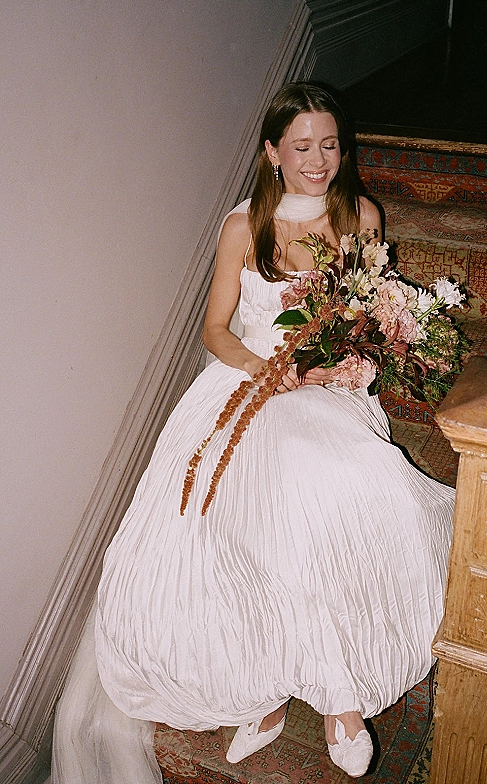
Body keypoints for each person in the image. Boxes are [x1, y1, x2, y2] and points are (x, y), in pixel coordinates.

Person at [53, 82, 454, 782]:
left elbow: (364, 314)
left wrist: (356, 357)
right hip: (248, 379)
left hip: (330, 384)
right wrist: (274, 371)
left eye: (329, 144)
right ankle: (274, 690)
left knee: (328, 479)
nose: (319, 159)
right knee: (249, 501)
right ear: (272, 152)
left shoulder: (362, 213)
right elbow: (214, 330)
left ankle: (333, 699)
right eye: (302, 147)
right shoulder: (243, 227)